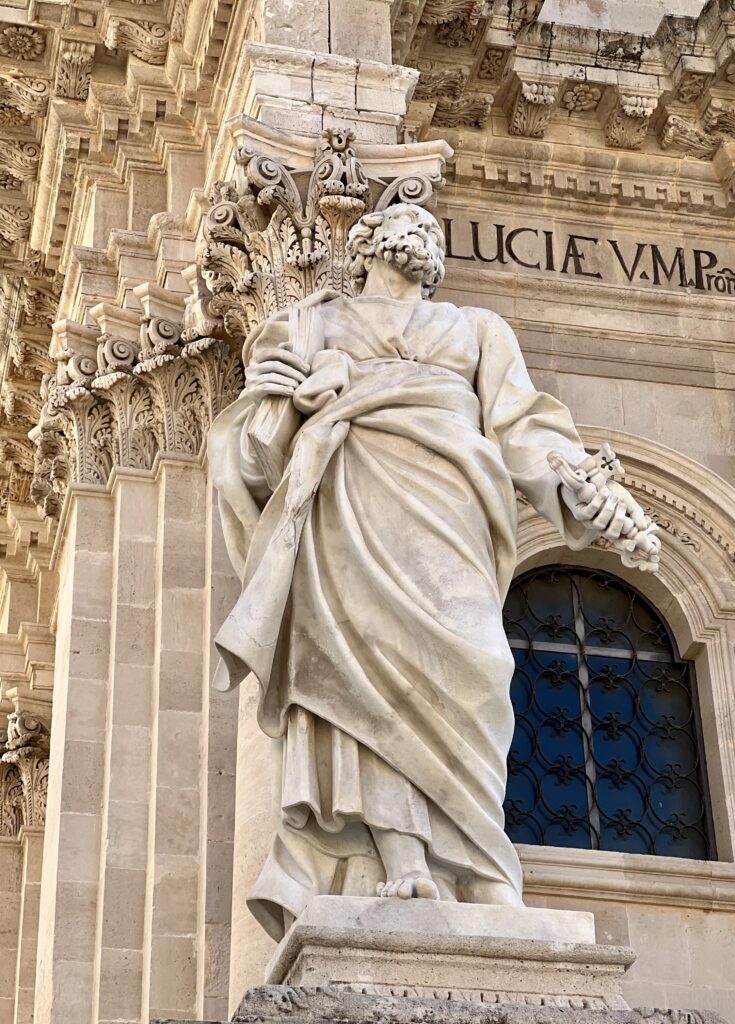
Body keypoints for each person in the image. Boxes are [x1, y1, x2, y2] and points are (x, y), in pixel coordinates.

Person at [208, 203, 659, 941]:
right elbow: (257, 448)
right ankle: (404, 856)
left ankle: (479, 858)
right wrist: (282, 401)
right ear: (363, 243)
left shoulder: (480, 330)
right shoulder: (315, 322)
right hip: (351, 507)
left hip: (450, 511)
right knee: (362, 674)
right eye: (402, 218)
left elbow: (526, 428)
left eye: (429, 223)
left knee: (475, 666)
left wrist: (583, 488)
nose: (419, 227)